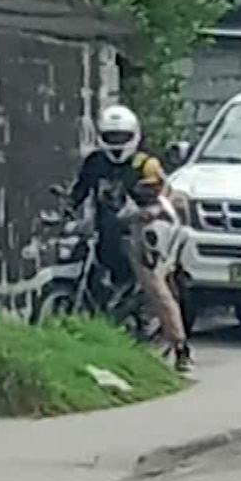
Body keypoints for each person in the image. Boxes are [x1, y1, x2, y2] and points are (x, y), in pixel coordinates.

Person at [68, 104, 192, 372]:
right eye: (110, 136)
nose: (116, 142)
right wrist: (66, 210)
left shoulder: (146, 165)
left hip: (137, 231)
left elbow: (166, 195)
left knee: (153, 285)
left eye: (121, 136)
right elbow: (79, 192)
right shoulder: (94, 162)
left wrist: (152, 211)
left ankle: (180, 347)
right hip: (102, 230)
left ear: (134, 135)